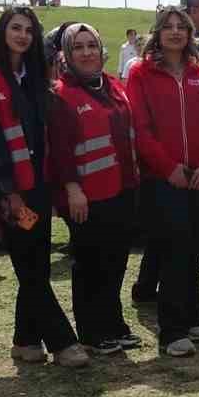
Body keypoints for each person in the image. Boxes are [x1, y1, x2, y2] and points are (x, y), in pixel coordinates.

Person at [0, 6, 90, 368]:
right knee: (28, 266)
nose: (22, 35)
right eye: (16, 28)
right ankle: (63, 342)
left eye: (29, 30)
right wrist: (9, 192)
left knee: (36, 264)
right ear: (2, 32)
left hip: (39, 186)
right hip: (9, 193)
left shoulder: (35, 78)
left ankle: (25, 340)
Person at [131, 6, 199, 357]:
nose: (174, 32)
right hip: (162, 178)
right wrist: (168, 168)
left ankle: (191, 316)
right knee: (173, 247)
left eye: (181, 27)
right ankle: (171, 331)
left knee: (195, 245)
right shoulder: (141, 73)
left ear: (189, 34)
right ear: (157, 33)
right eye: (167, 27)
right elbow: (140, 128)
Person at [48, 23, 138, 354]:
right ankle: (92, 332)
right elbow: (59, 150)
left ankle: (113, 324)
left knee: (115, 261)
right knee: (90, 264)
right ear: (67, 55)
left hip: (122, 188)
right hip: (86, 195)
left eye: (91, 46)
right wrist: (73, 190)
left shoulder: (113, 86)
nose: (86, 53)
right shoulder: (60, 94)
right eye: (78, 47)